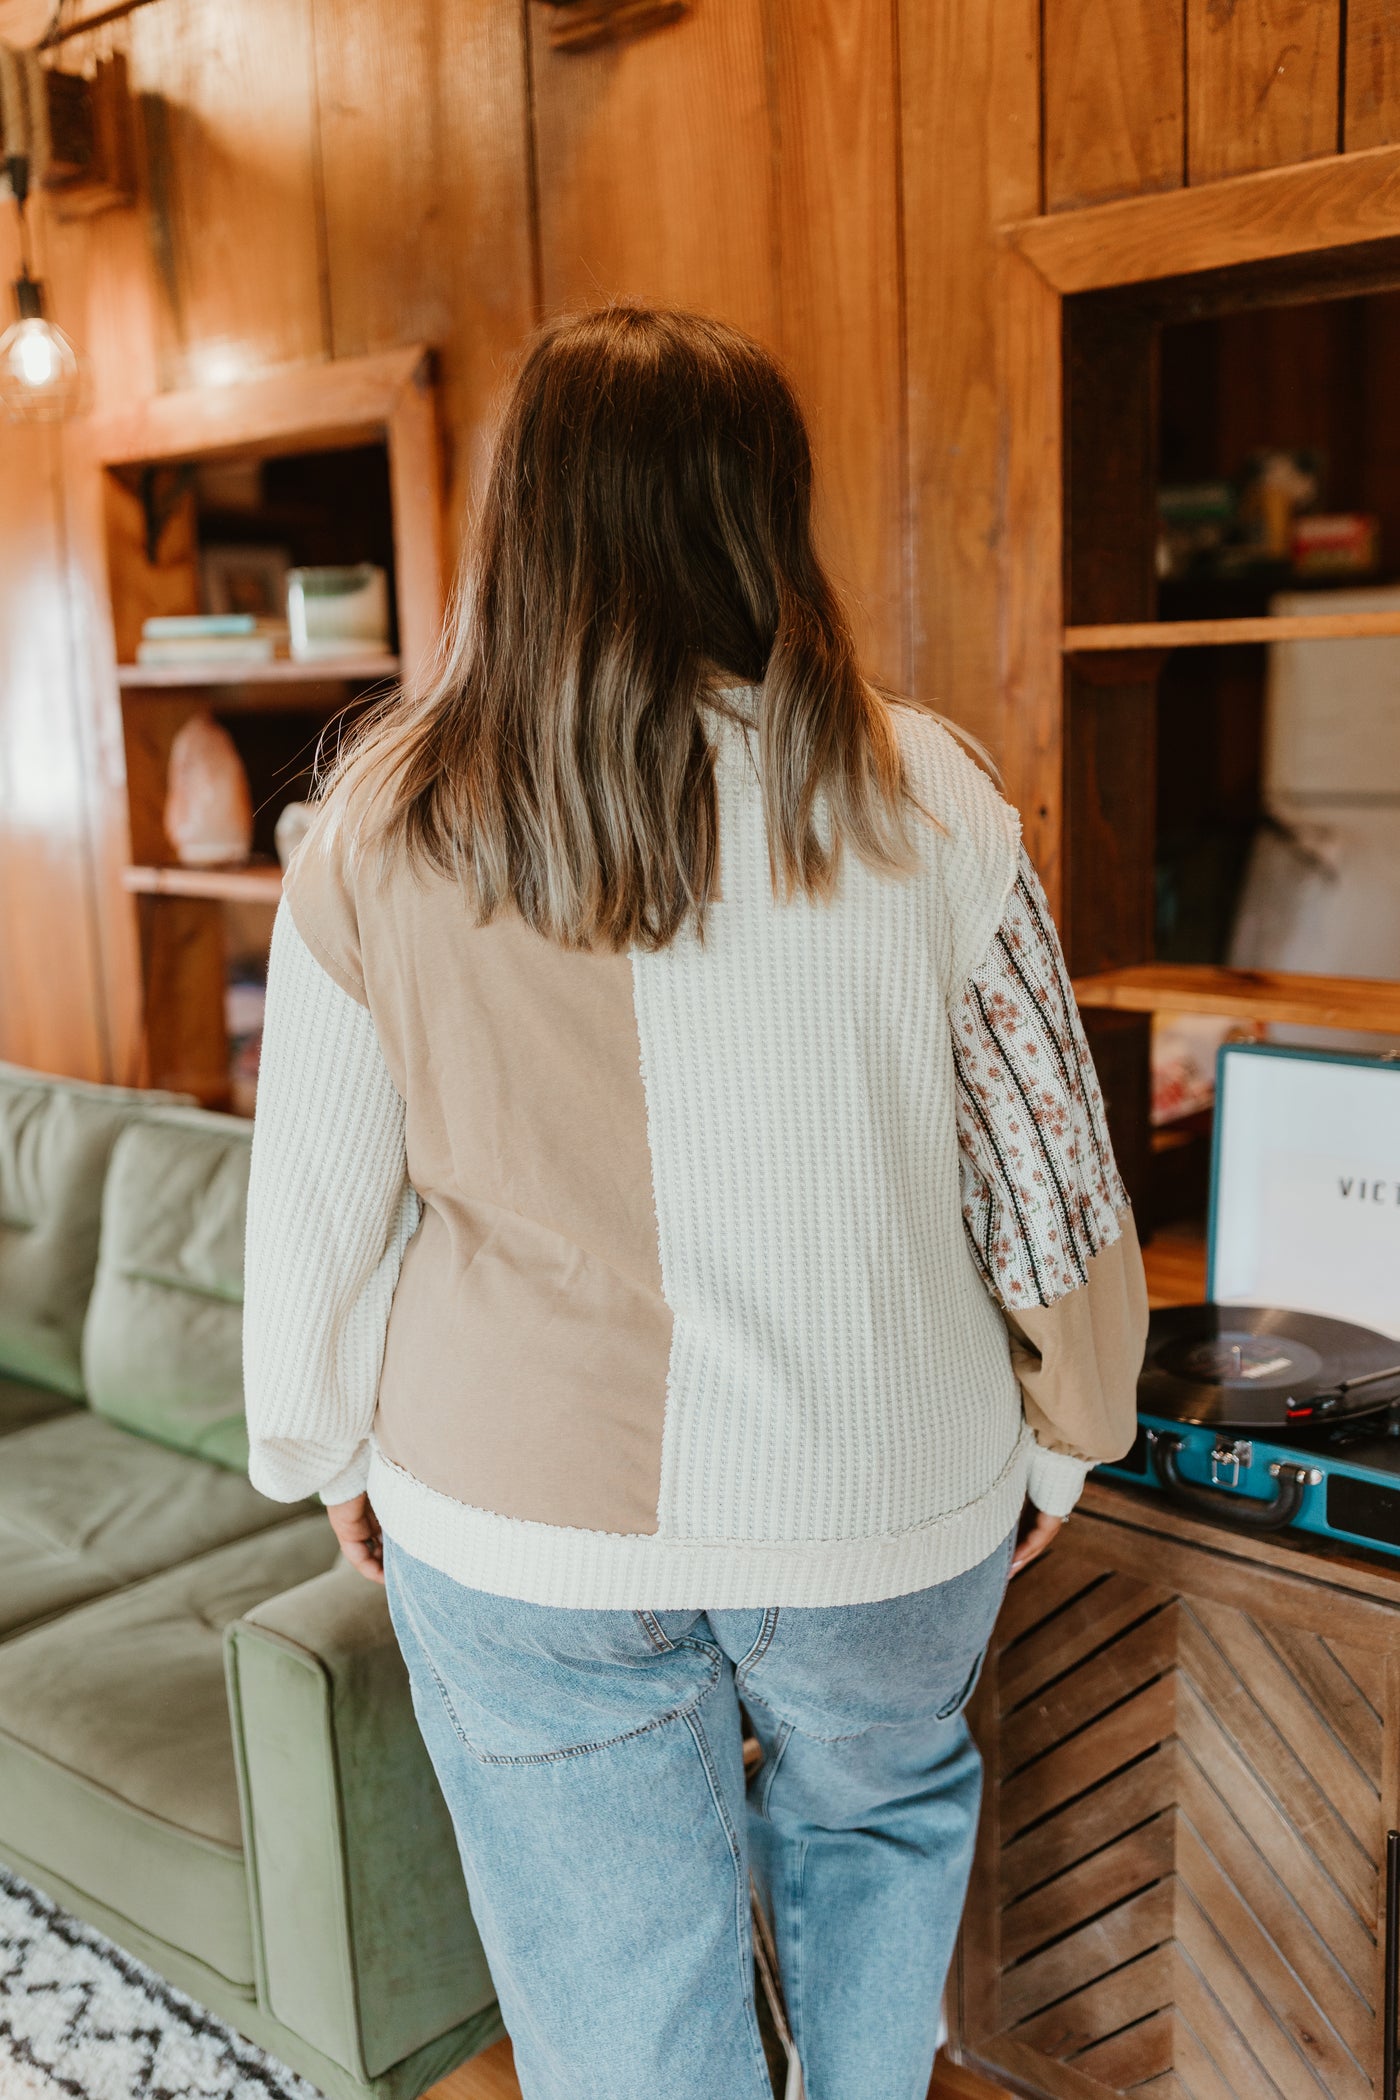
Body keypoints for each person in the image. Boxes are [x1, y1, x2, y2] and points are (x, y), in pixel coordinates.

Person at [243, 305, 1146, 2100]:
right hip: (890, 1495)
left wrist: (323, 1454)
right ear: (765, 512)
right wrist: (1068, 1436)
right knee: (878, 1850)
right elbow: (1051, 1177)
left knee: (613, 1987)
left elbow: (315, 1219)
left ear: (521, 519)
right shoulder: (930, 796)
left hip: (513, 1522)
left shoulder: (378, 825)